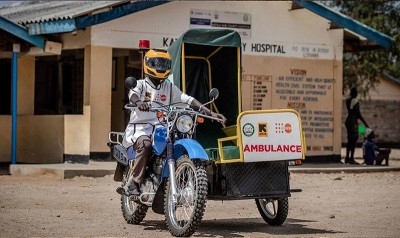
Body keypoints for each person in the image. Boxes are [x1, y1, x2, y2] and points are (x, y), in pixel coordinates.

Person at [116, 49, 226, 197]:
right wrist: (139, 102)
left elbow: (186, 99)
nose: (161, 66)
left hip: (162, 126)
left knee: (176, 140)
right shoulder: (141, 84)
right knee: (146, 145)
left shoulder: (168, 87)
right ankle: (133, 183)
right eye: (157, 63)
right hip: (141, 127)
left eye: (164, 63)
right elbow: (133, 94)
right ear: (148, 64)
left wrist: (210, 112)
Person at [344, 87, 369, 164]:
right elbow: (358, 114)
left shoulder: (347, 101)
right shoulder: (355, 101)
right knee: (354, 139)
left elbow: (351, 111)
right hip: (353, 122)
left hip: (348, 121)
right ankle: (351, 158)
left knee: (349, 140)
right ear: (356, 94)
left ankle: (347, 158)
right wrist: (365, 124)